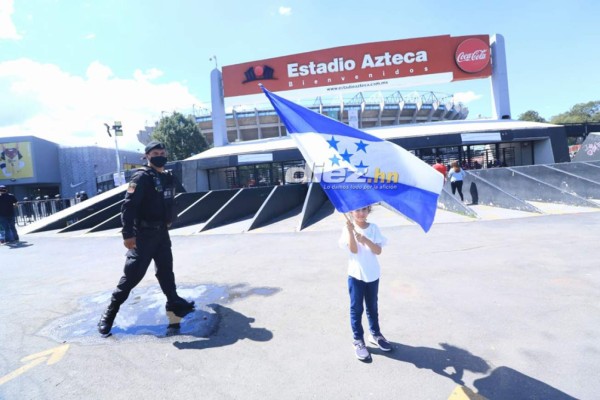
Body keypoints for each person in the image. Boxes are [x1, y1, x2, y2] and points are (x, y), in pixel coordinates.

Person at [98, 141, 195, 336]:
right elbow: (128, 206)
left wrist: (170, 219)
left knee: (166, 272)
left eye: (162, 152)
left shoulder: (168, 177)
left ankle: (174, 307)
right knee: (132, 276)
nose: (160, 155)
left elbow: (178, 199)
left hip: (162, 234)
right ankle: (109, 314)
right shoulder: (141, 177)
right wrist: (128, 234)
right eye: (155, 153)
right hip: (142, 236)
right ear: (147, 157)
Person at [339, 205, 391, 361]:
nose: (360, 213)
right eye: (357, 210)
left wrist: (366, 239)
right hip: (356, 275)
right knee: (356, 308)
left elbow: (378, 251)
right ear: (351, 212)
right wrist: (350, 231)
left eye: (364, 210)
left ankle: (375, 334)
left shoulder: (373, 228)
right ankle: (358, 340)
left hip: (373, 274)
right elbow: (354, 251)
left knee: (372, 306)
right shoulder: (347, 228)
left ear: (369, 211)